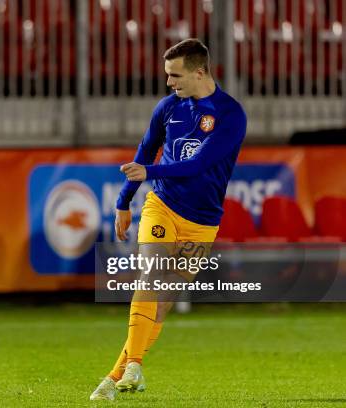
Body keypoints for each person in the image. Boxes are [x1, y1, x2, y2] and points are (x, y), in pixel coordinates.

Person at [90, 38, 247, 401]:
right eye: (167, 75)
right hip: (161, 204)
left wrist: (148, 170)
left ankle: (118, 376)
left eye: (175, 75)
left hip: (203, 222)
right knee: (150, 274)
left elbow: (198, 165)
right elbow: (143, 152)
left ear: (199, 72)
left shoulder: (230, 115)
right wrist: (122, 202)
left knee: (163, 300)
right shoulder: (167, 108)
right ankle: (130, 370)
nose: (169, 82)